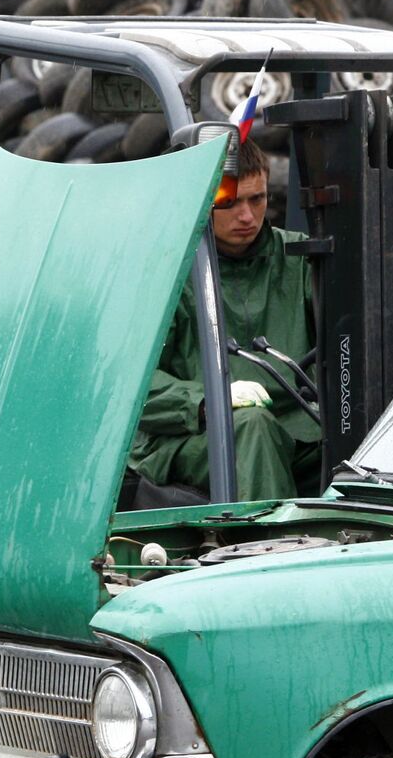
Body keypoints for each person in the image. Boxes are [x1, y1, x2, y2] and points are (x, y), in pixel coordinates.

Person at [130, 136, 322, 502]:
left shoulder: (297, 256)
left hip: (295, 428)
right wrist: (206, 400)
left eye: (257, 199)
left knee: (366, 434)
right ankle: (272, 550)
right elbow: (130, 383)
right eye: (229, 203)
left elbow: (358, 299)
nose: (247, 216)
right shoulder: (166, 271)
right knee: (252, 427)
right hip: (188, 434)